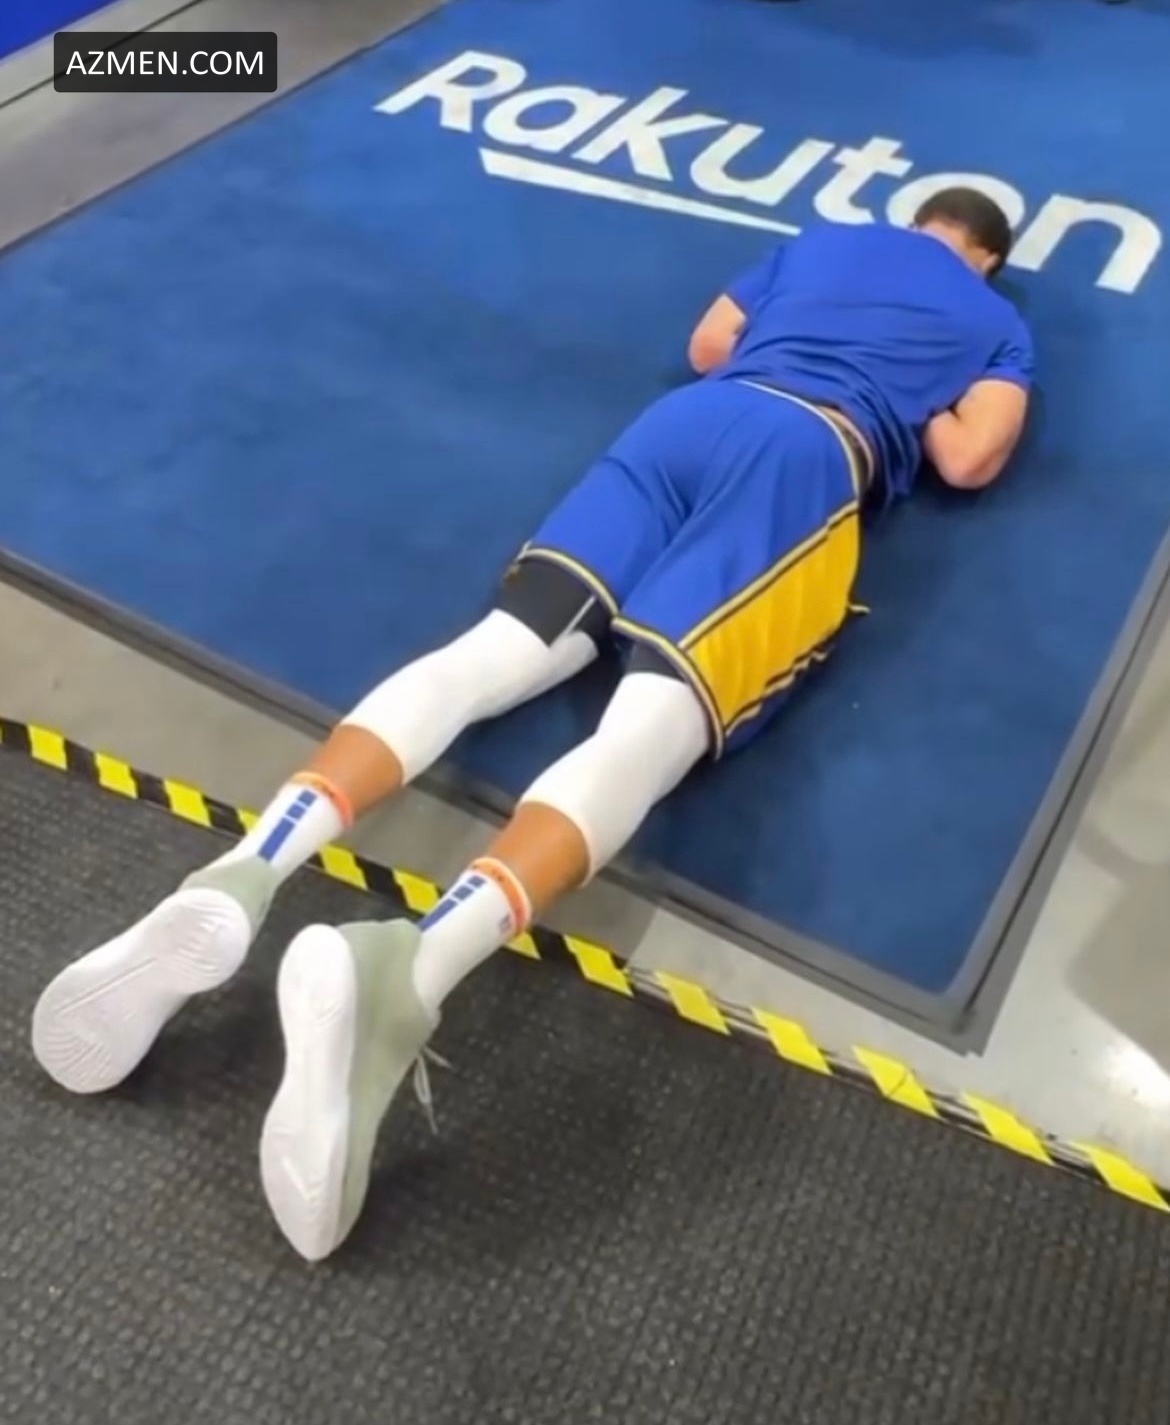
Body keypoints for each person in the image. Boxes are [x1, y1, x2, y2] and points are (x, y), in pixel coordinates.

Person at [31, 187, 1034, 1262]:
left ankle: (247, 867)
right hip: (803, 456)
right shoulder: (996, 321)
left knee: (494, 652)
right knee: (649, 729)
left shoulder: (825, 244)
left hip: (686, 426)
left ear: (913, 219)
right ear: (987, 256)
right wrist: (918, 397)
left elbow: (708, 345)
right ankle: (411, 975)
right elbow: (969, 460)